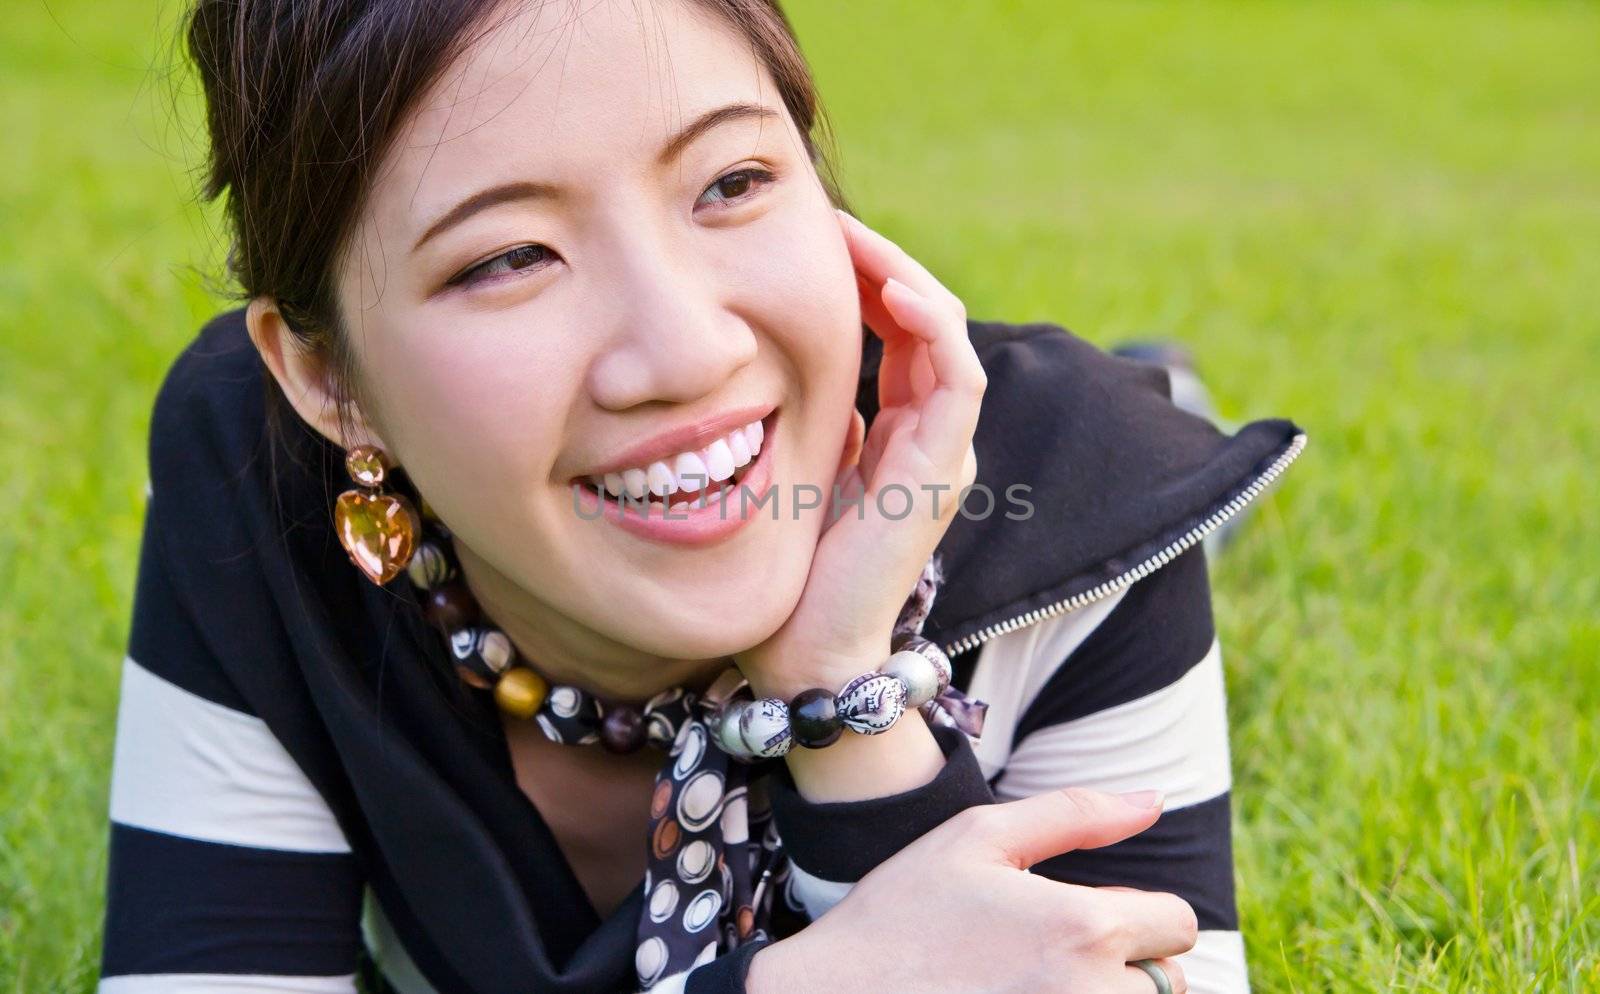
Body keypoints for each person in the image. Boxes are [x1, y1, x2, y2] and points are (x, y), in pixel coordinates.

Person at [96, 1, 1307, 992]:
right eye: (508, 256)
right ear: (325, 378)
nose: (681, 352)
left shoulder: (1089, 505)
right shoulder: (255, 473)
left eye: (730, 181)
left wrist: (843, 694)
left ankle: (1178, 387)